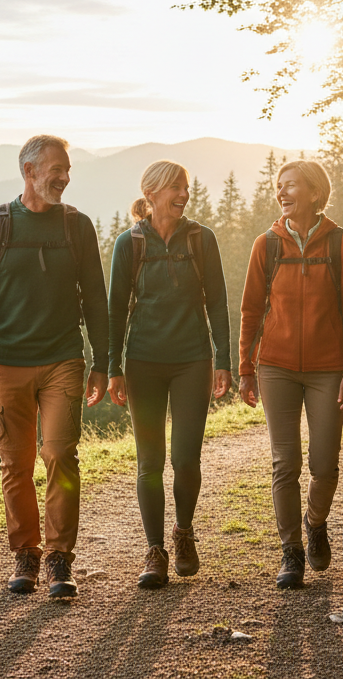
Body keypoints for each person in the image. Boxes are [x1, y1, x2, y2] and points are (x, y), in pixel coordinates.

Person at [0, 134, 109, 598]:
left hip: (64, 359)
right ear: (28, 172)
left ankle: (60, 559)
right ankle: (27, 553)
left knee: (60, 454)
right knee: (16, 463)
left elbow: (96, 301)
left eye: (67, 171)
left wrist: (103, 361)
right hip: (7, 364)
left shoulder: (76, 227)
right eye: (54, 170)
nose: (63, 178)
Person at [237, 159, 343, 589]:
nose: (282, 193)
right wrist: (245, 368)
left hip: (328, 369)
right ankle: (291, 550)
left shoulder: (341, 244)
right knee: (285, 462)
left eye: (291, 185)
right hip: (275, 367)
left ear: (314, 192)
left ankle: (315, 521)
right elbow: (251, 310)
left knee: (325, 464)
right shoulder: (267, 245)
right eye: (279, 186)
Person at [107, 160, 232, 588]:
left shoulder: (201, 239)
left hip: (191, 361)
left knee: (185, 459)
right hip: (142, 363)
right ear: (152, 192)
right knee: (150, 462)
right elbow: (115, 310)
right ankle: (154, 550)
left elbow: (217, 301)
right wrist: (113, 368)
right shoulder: (130, 244)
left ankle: (183, 533)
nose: (184, 195)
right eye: (176, 188)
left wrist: (223, 359)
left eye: (187, 188)